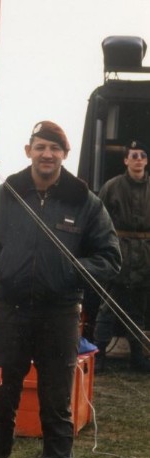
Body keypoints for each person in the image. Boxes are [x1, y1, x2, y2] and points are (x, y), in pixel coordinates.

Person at [0, 121, 121, 458]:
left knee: (56, 408)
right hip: (11, 314)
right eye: (40, 146)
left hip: (60, 316)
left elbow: (109, 258)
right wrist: (2, 265)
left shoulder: (85, 202)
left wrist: (69, 272)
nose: (47, 154)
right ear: (28, 150)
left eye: (55, 148)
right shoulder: (5, 195)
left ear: (65, 154)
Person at [94, 140, 150, 373]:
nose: (138, 159)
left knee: (138, 310)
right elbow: (98, 221)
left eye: (142, 155)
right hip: (118, 253)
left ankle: (138, 357)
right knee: (108, 307)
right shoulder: (112, 186)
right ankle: (98, 357)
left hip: (145, 256)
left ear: (146, 160)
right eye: (133, 155)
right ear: (126, 160)